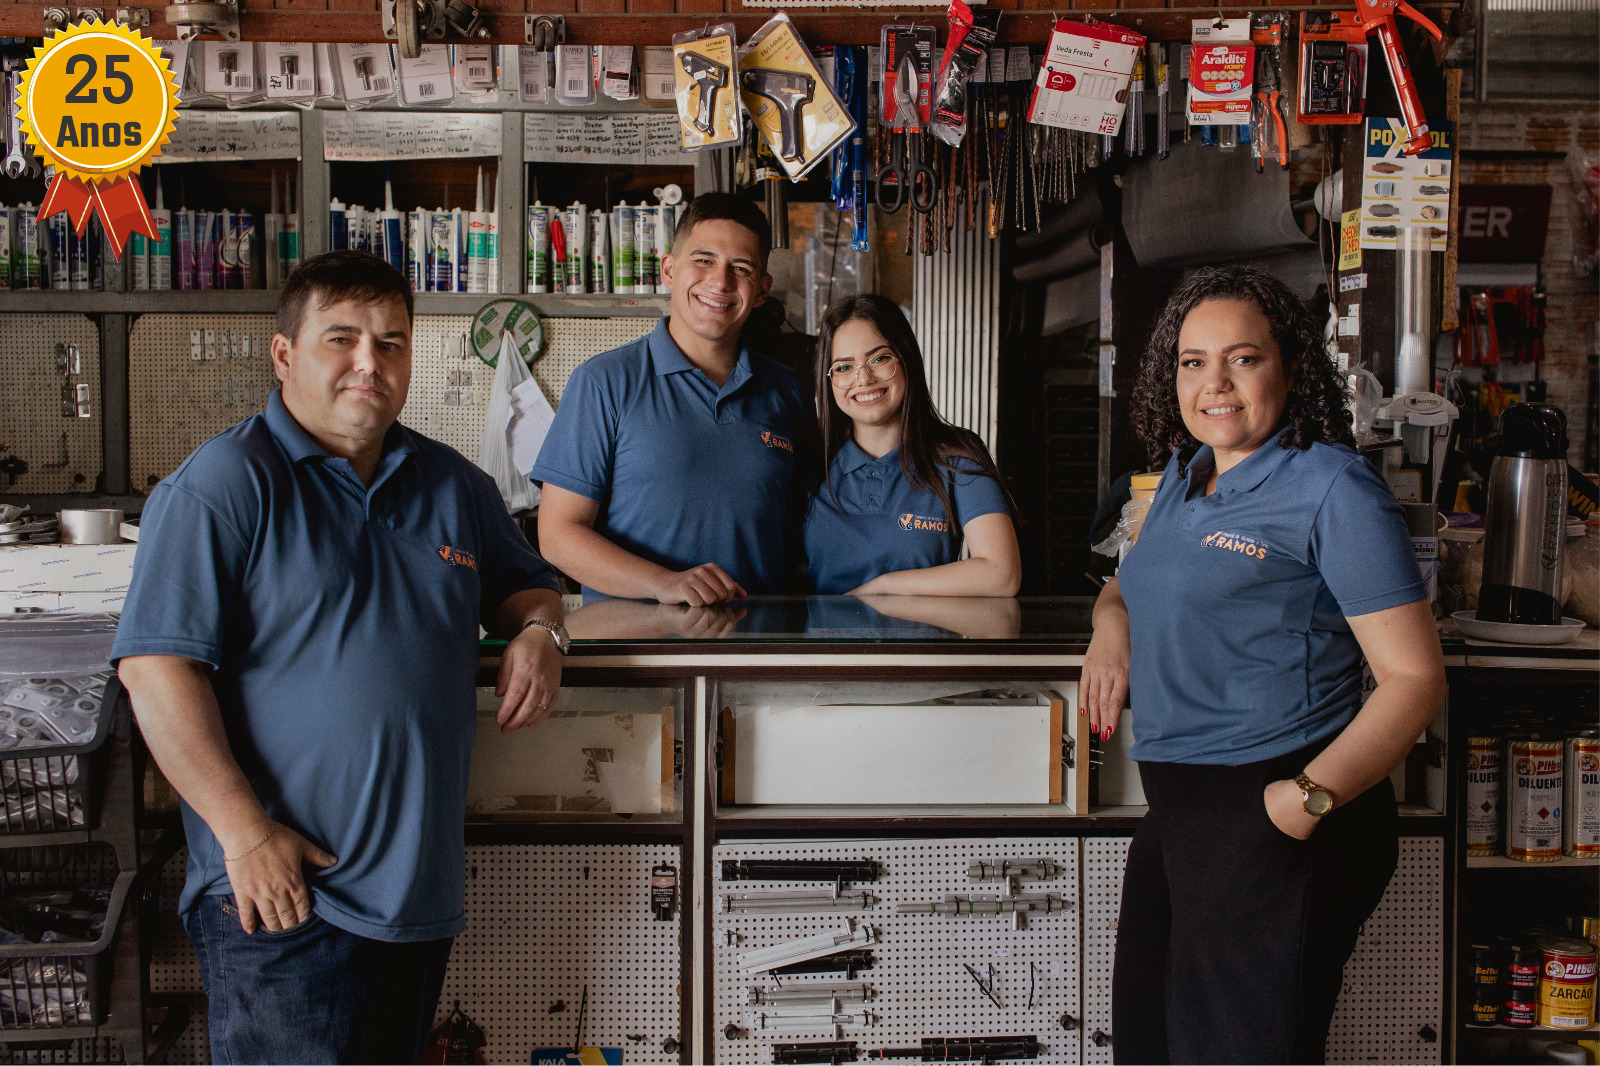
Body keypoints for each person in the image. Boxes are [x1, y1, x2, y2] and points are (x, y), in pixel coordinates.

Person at [113, 251, 568, 1064]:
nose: (370, 362)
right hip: (283, 895)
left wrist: (542, 632)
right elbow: (154, 670)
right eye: (343, 338)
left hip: (413, 897)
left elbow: (532, 587)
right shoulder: (224, 483)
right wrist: (247, 837)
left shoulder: (454, 486)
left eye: (392, 342)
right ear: (284, 354)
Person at [1080, 266, 1447, 1064]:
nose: (1214, 383)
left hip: (1279, 803)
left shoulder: (1333, 490)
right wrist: (1111, 627)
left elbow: (1416, 681)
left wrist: (1299, 803)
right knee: (1149, 1049)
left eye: (1242, 358)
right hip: (1182, 814)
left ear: (1290, 368)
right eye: (1192, 360)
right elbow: (1129, 581)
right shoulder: (1187, 474)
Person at [531, 193, 813, 605]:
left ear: (761, 290)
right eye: (704, 260)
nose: (720, 281)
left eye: (741, 268)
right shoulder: (604, 382)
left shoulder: (787, 392)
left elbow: (806, 531)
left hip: (755, 652)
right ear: (668, 269)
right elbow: (557, 536)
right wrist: (664, 583)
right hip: (636, 658)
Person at [802, 294, 1020, 596]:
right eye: (843, 367)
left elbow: (1002, 574)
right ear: (828, 380)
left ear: (906, 359)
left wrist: (881, 590)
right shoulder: (812, 464)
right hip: (829, 644)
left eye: (879, 358)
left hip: (921, 644)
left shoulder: (956, 456)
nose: (863, 378)